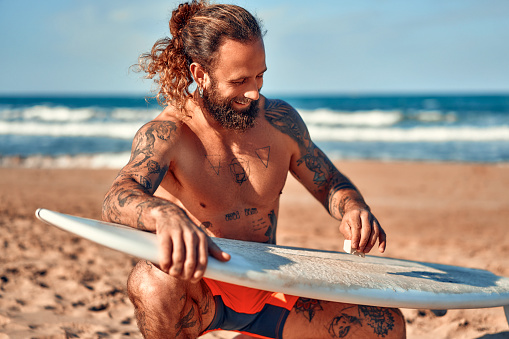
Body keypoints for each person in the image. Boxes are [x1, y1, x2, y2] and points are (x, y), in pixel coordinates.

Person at [102, 1, 406, 338]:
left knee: (385, 325)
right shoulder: (170, 134)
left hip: (271, 287)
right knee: (149, 282)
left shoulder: (280, 121)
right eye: (240, 79)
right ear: (200, 75)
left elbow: (330, 181)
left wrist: (353, 207)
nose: (254, 91)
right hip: (205, 288)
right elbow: (118, 195)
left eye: (260, 75)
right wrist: (163, 215)